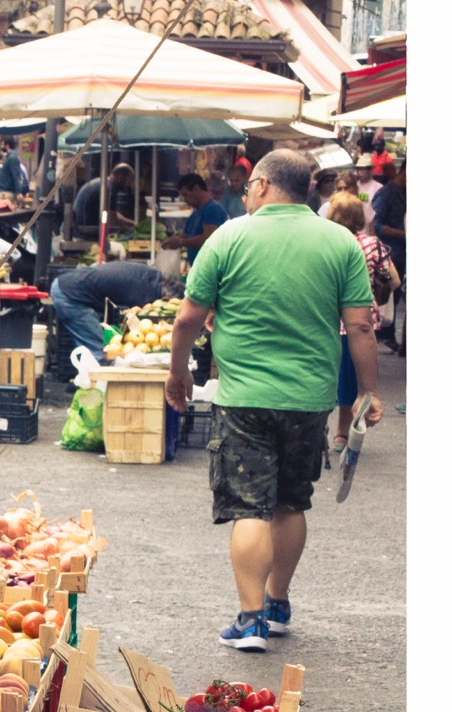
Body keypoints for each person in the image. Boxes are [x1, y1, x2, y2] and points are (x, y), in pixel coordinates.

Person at [165, 150, 378, 651]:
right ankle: (278, 603)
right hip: (309, 399)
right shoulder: (340, 242)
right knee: (290, 502)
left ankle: (251, 619)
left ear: (260, 185)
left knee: (249, 508)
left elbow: (187, 320)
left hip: (244, 398)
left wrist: (178, 374)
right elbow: (361, 325)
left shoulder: (230, 236)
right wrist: (369, 392)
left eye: (246, 188)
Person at [322, 192, 400, 451]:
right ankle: (344, 431)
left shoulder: (325, 242)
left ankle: (331, 432)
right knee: (351, 378)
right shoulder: (372, 244)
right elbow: (395, 281)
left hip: (327, 319)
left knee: (328, 377)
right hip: (364, 317)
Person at [47, 260, 166, 364]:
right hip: (68, 294)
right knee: (97, 349)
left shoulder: (151, 274)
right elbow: (136, 319)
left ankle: (89, 379)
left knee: (97, 345)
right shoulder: (142, 293)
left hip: (70, 283)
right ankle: (97, 385)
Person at [368, 158, 405, 354]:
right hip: (391, 252)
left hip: (401, 253)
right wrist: (402, 234)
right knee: (390, 294)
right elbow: (378, 225)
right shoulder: (386, 194)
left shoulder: (403, 193)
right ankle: (385, 333)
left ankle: (390, 335)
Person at [163, 173, 228, 264]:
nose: (185, 200)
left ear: (196, 189)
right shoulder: (195, 214)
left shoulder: (213, 210)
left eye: (186, 195)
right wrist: (171, 243)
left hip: (210, 271)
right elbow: (183, 236)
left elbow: (209, 239)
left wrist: (181, 242)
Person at [73, 163, 137, 243]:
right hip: (84, 233)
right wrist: (132, 231)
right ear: (121, 177)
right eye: (129, 181)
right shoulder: (108, 189)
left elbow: (114, 214)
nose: (129, 185)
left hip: (78, 229)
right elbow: (112, 222)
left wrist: (134, 223)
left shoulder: (102, 183)